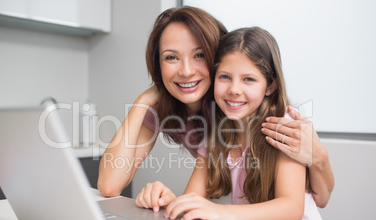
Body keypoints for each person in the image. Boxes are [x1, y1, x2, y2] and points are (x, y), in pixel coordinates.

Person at [97, 6, 334, 208]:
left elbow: (315, 200)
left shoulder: (240, 106)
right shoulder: (165, 107)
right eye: (171, 58)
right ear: (158, 66)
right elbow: (109, 185)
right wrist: (141, 102)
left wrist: (319, 158)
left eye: (199, 55)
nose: (186, 70)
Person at [136, 27, 335, 220]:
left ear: (270, 86)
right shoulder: (216, 132)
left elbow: (290, 209)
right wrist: (168, 201)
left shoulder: (283, 125)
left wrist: (219, 212)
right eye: (225, 77)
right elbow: (193, 198)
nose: (234, 89)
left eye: (249, 79)